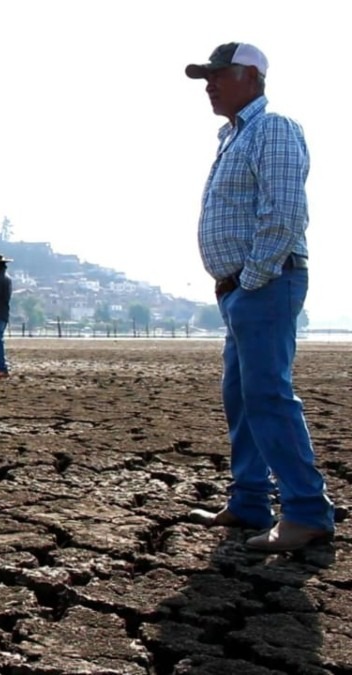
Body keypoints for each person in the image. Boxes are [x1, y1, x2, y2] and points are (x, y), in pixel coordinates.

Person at [184, 43, 334, 551]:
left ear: (250, 76)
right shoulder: (233, 135)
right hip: (241, 291)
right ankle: (249, 501)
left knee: (268, 395)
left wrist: (252, 279)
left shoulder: (273, 128)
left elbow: (286, 213)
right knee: (242, 398)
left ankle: (307, 512)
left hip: (266, 284)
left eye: (218, 75)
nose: (209, 85)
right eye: (206, 77)